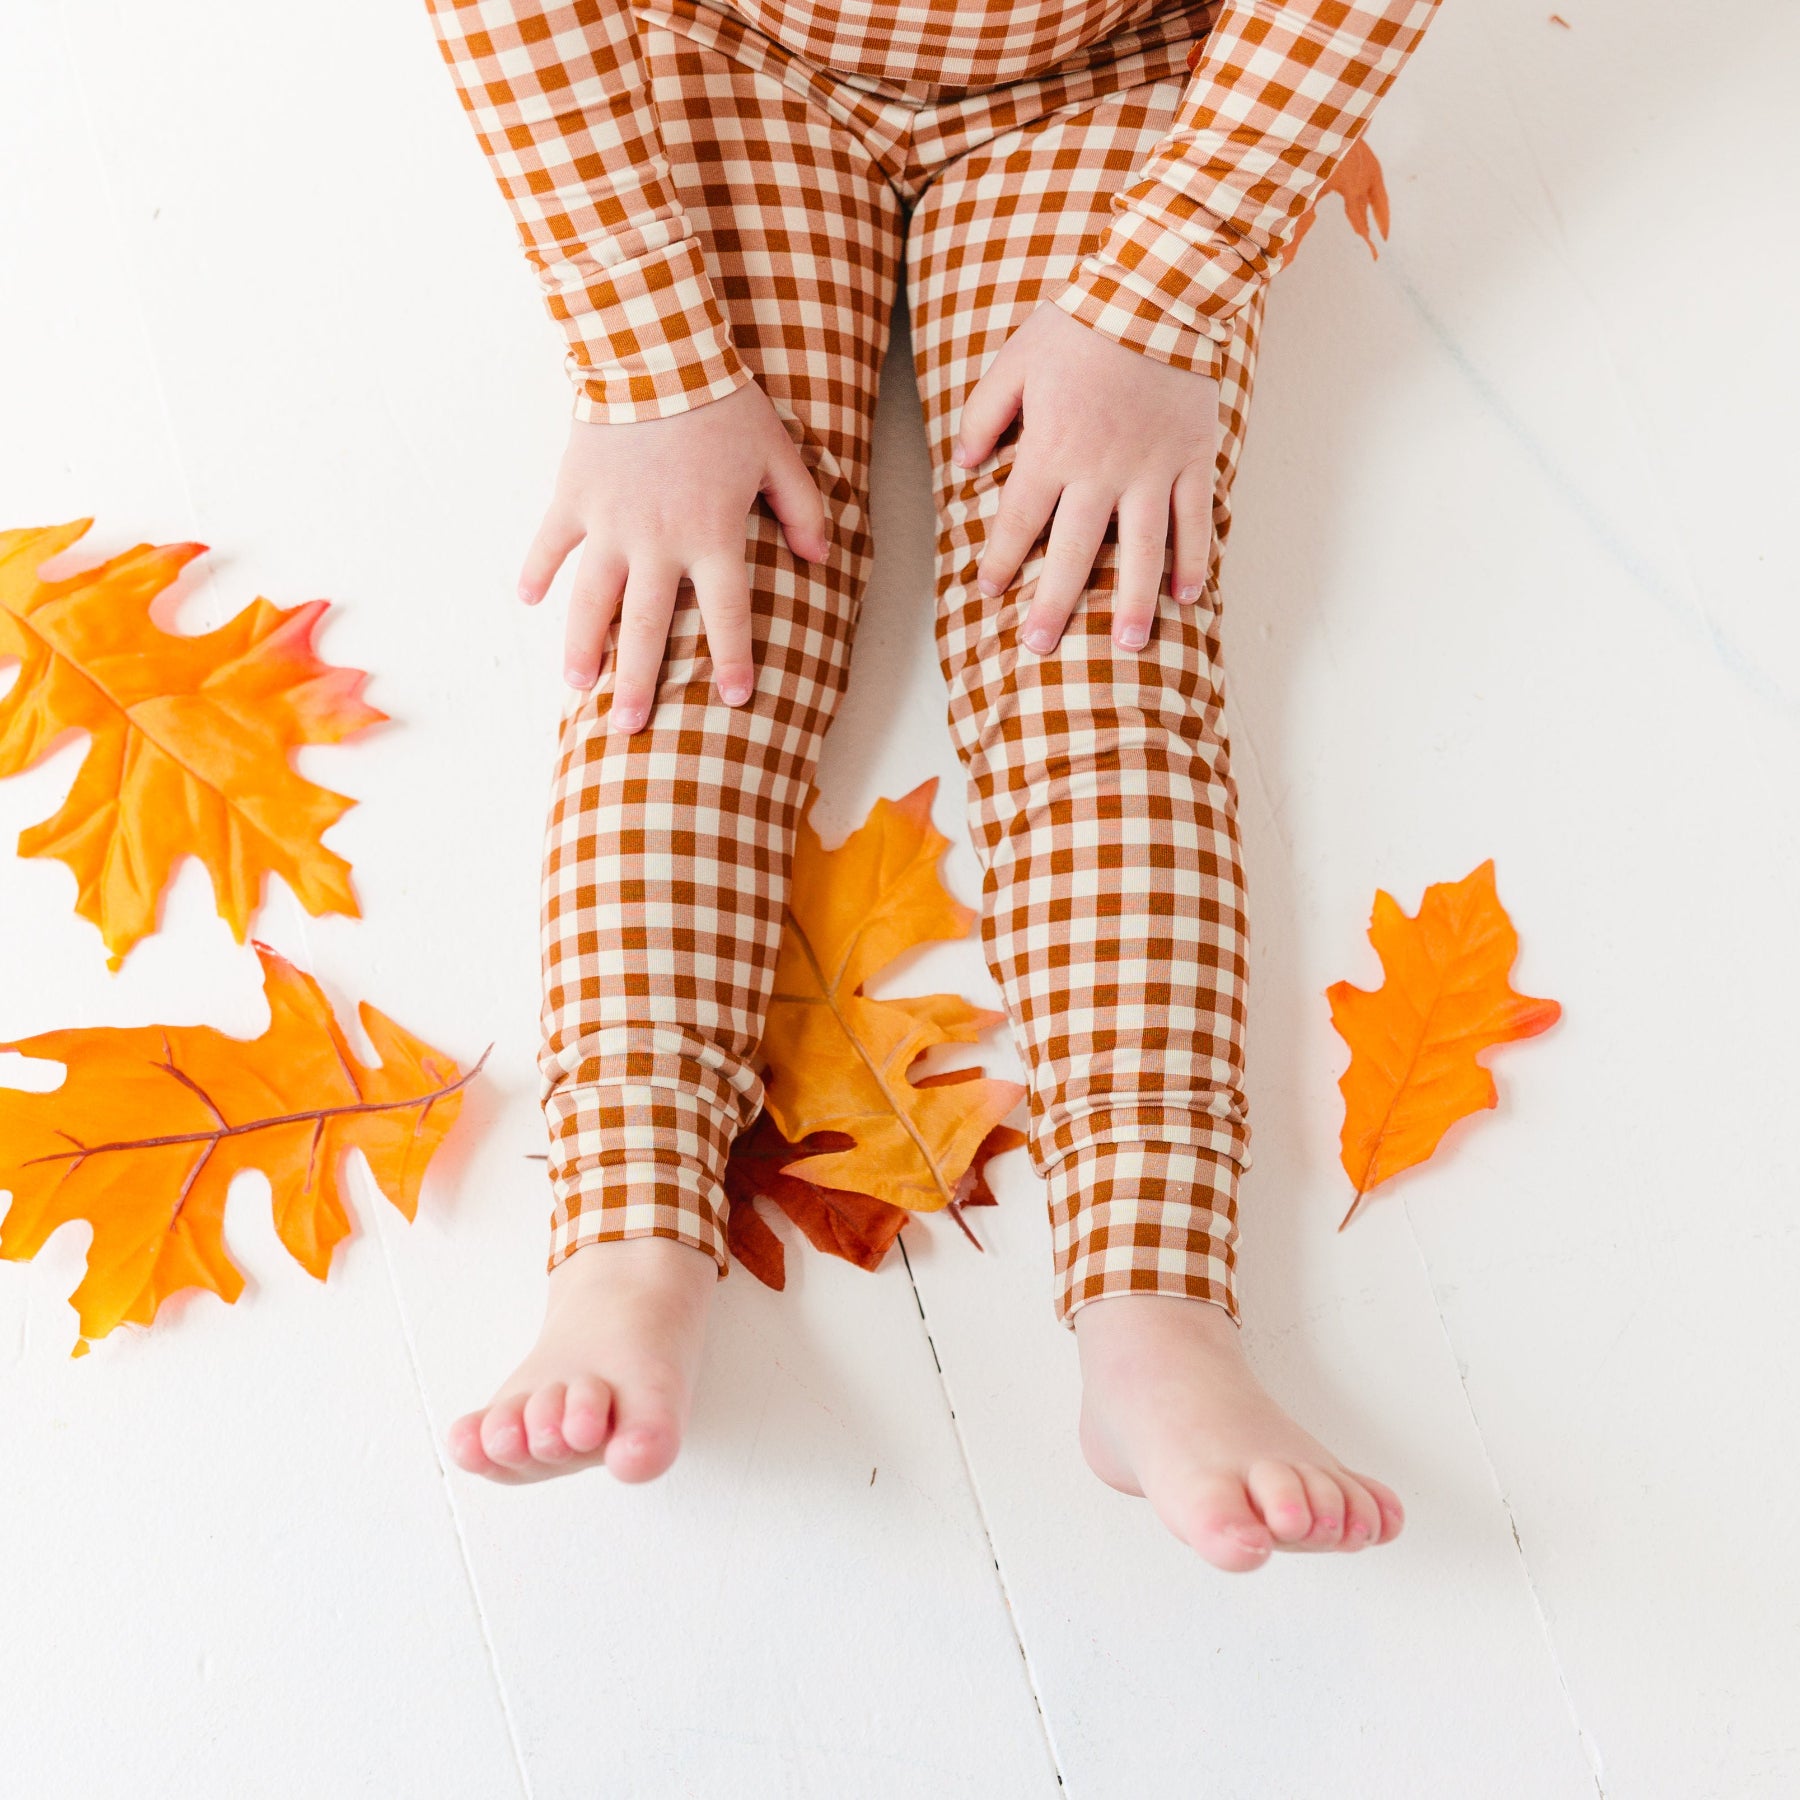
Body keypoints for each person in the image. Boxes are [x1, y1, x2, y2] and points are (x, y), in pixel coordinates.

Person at [424, 0, 1442, 1571]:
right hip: (725, 50)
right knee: (690, 631)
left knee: (1103, 652)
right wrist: (651, 364)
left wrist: (1156, 302)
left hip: (1125, 80)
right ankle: (625, 1238)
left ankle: (1153, 1303)